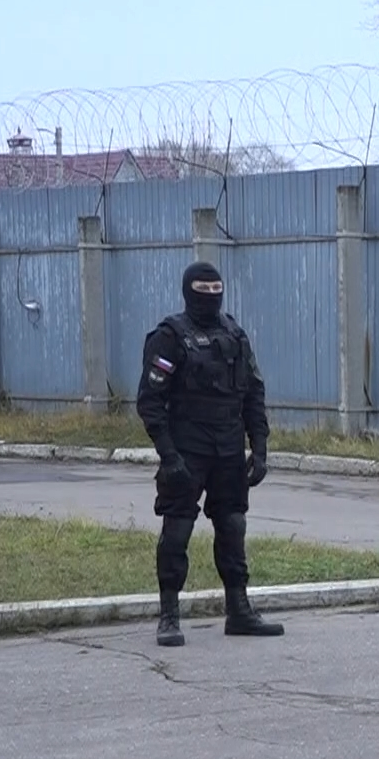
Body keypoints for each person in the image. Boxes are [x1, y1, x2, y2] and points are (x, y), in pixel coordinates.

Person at [136, 260, 285, 647]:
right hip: (188, 449)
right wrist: (169, 456)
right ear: (188, 293)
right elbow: (150, 402)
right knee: (177, 530)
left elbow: (253, 392)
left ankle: (239, 610)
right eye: (202, 292)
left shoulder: (234, 334)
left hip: (229, 449)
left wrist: (261, 447)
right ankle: (169, 615)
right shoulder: (170, 337)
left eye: (215, 292)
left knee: (233, 528)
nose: (209, 300)